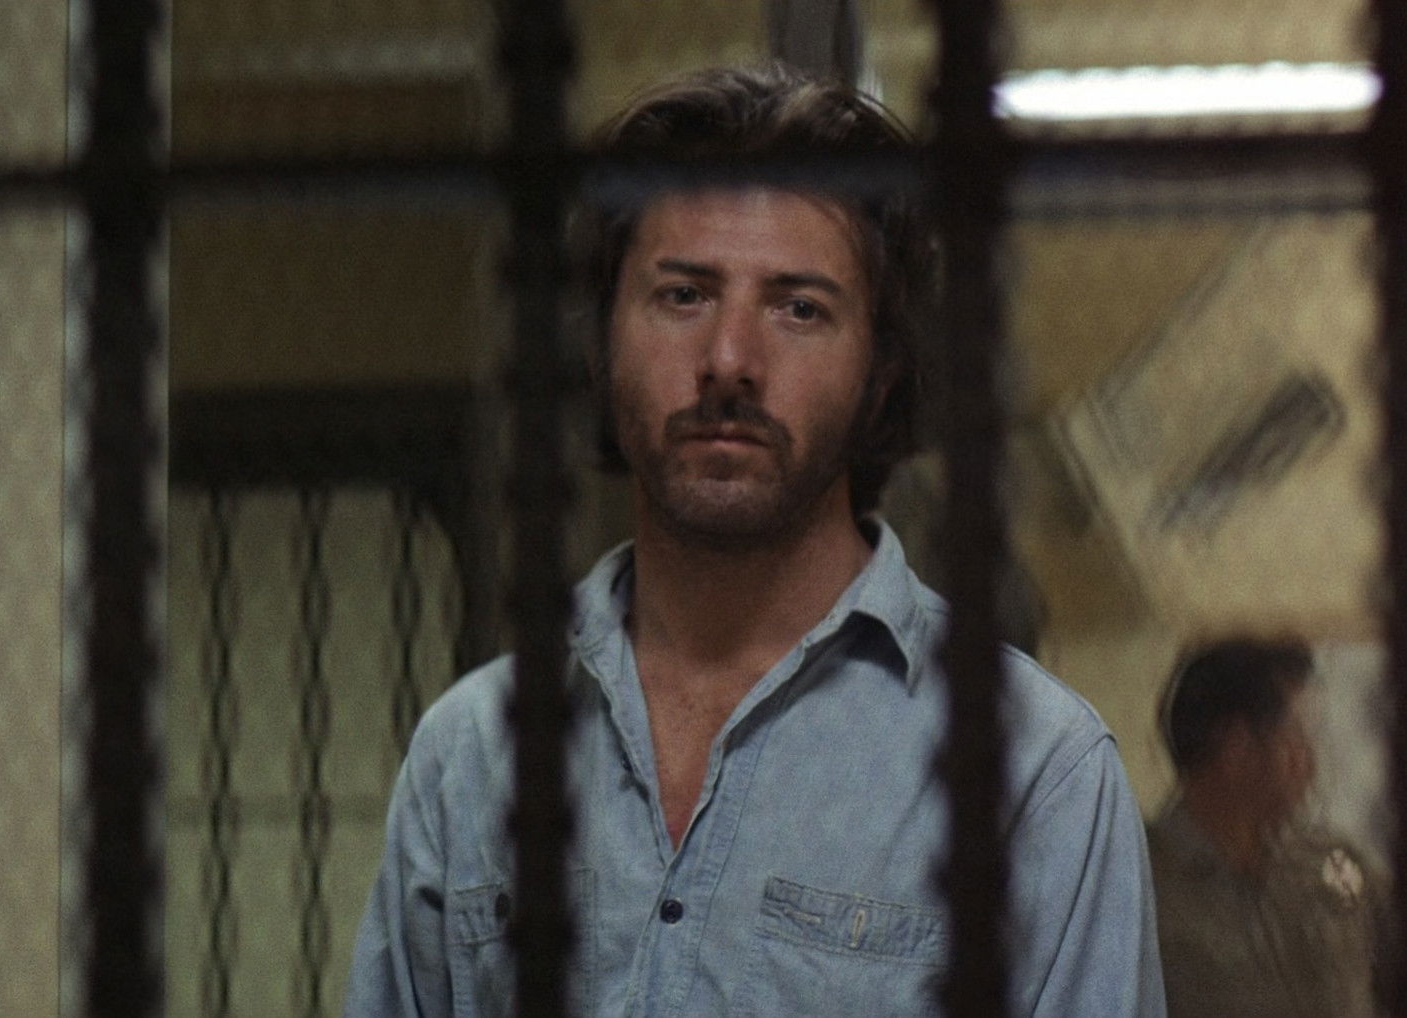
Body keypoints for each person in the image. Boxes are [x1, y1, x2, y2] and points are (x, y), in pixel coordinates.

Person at [343, 63, 1164, 1018]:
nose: (730, 359)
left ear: (882, 371)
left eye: (798, 307)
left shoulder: (1033, 771)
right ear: (603, 341)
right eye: (683, 295)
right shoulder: (473, 752)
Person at [1149, 638, 1394, 1018]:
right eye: (1297, 735)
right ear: (1236, 748)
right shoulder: (1138, 885)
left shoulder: (1334, 861)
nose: (1310, 759)